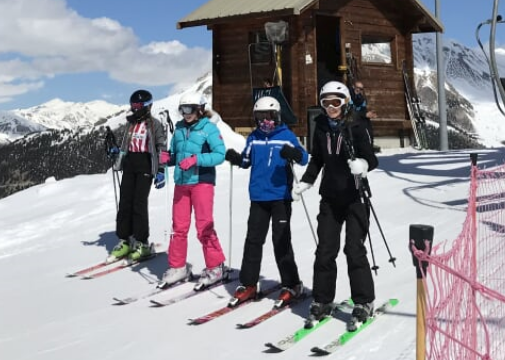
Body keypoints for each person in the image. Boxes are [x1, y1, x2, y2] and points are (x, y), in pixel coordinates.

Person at [294, 80, 379, 327]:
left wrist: (363, 165)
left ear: (345, 102)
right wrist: (306, 181)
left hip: (355, 196)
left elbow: (372, 158)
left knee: (353, 249)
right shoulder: (320, 126)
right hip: (330, 197)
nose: (331, 107)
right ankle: (322, 300)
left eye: (336, 102)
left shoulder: (357, 124)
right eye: (326, 102)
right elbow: (317, 158)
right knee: (325, 250)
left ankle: (363, 301)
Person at [224, 96, 309, 307]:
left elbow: (304, 157)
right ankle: (249, 284)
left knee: (280, 241)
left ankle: (292, 284)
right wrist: (235, 158)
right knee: (253, 240)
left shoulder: (286, 135)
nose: (265, 121)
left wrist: (294, 153)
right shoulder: (254, 137)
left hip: (280, 198)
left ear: (277, 116)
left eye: (269, 116)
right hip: (259, 197)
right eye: (260, 117)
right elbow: (246, 160)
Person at [159, 92, 229, 289]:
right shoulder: (180, 128)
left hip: (202, 182)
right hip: (182, 183)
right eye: (182, 110)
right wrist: (168, 159)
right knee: (179, 227)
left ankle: (216, 266)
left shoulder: (209, 129)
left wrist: (196, 160)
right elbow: (176, 153)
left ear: (199, 109)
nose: (185, 114)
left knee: (203, 226)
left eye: (189, 109)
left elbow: (219, 155)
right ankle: (178, 267)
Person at [108, 89, 170, 263]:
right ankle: (125, 239)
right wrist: (117, 153)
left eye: (137, 106)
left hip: (145, 164)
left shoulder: (155, 125)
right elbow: (125, 145)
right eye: (132, 106)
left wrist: (161, 170)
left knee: (139, 203)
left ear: (147, 107)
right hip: (130, 164)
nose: (134, 109)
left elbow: (162, 148)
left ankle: (142, 243)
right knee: (125, 201)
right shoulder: (130, 124)